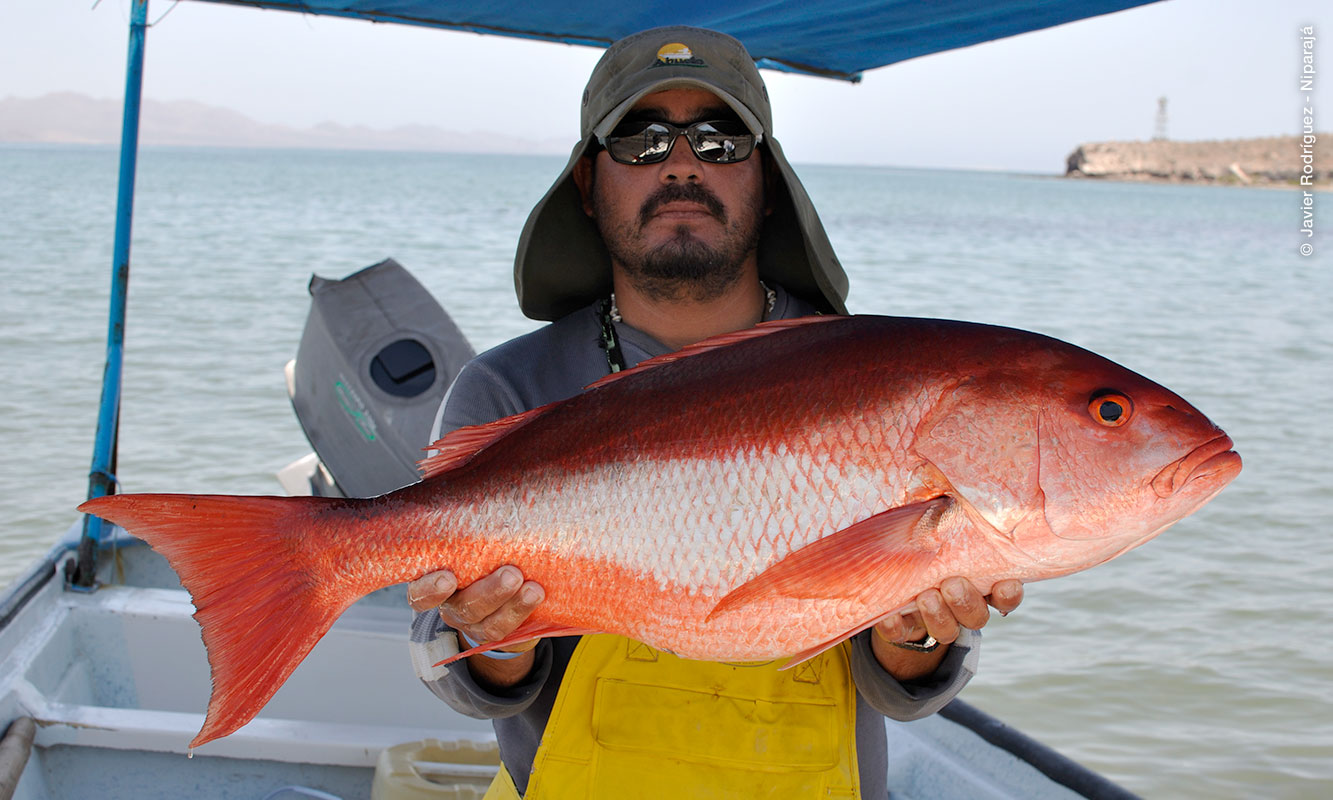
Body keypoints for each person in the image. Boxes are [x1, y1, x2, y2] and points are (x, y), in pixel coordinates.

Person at [406, 25, 1024, 799]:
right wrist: (491, 634)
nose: (681, 165)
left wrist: (920, 633)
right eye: (639, 139)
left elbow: (903, 690)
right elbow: (456, 673)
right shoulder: (506, 387)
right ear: (586, 186)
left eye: (720, 139)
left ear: (767, 182)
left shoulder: (868, 375)